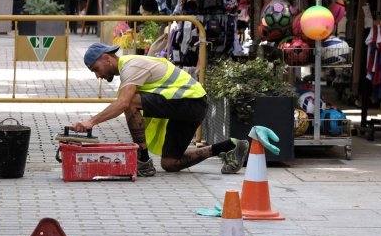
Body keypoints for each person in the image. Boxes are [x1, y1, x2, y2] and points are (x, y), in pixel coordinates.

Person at [71, 43, 250, 176]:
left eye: (96, 69)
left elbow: (124, 103)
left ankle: (143, 161)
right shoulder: (128, 72)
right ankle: (231, 146)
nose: (98, 76)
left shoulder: (131, 66)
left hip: (190, 101)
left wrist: (91, 121)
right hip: (189, 105)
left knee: (129, 101)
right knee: (170, 163)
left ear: (107, 58)